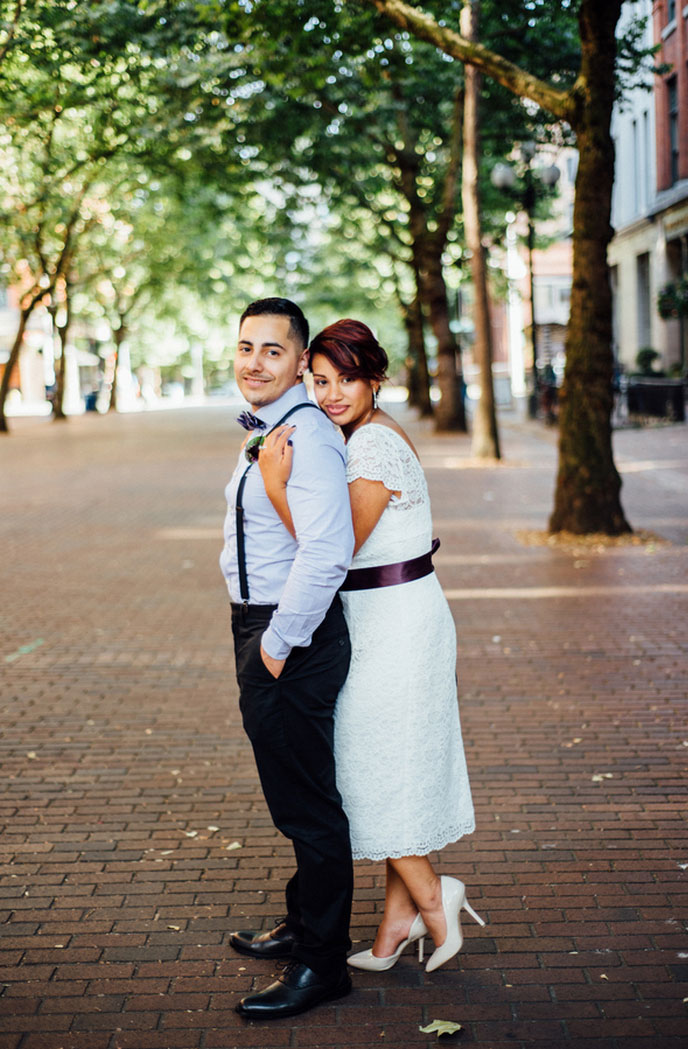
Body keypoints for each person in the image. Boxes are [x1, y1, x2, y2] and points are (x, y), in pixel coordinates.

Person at [258, 318, 484, 976]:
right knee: (395, 768)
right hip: (383, 615)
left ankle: (437, 895)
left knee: (368, 774)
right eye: (320, 381)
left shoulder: (372, 447)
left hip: (398, 624)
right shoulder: (362, 434)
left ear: (374, 379)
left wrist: (275, 486)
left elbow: (333, 548)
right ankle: (395, 924)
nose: (331, 394)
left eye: (346, 380)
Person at [220, 298, 355, 1019]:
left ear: (302, 361)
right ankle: (304, 925)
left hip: (289, 636)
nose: (254, 362)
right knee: (293, 796)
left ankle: (323, 965)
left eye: (273, 350)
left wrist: (275, 645)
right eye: (246, 347)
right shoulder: (272, 429)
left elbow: (327, 551)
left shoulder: (310, 436)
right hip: (262, 627)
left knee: (310, 809)